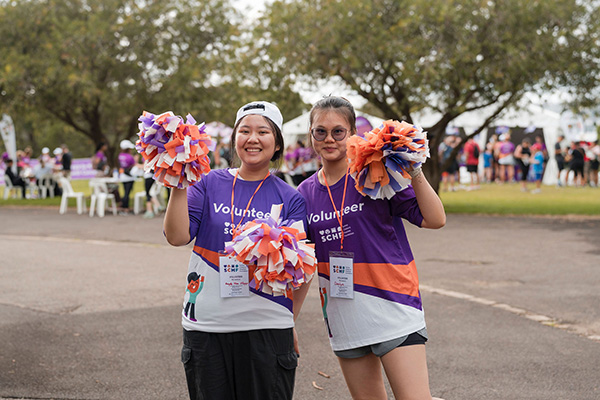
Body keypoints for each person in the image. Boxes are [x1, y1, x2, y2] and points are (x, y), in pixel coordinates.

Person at [297, 96, 446, 400]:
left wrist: (412, 167)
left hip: (394, 305)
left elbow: (435, 219)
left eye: (338, 131)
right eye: (320, 131)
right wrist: (287, 320)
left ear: (352, 133)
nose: (329, 139)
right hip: (344, 316)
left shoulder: (375, 175)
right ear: (310, 135)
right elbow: (302, 263)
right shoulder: (304, 193)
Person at [163, 101, 311, 400]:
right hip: (207, 326)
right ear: (234, 139)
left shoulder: (290, 198)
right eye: (244, 130)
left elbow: (301, 269)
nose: (252, 138)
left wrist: (289, 320)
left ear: (278, 143)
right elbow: (177, 237)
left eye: (263, 131)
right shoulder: (208, 182)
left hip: (267, 326)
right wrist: (178, 180)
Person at [118, 139, 137, 214]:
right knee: (127, 193)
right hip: (129, 176)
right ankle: (125, 208)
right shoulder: (130, 157)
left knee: (125, 192)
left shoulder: (120, 156)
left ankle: (124, 207)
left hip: (123, 176)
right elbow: (133, 165)